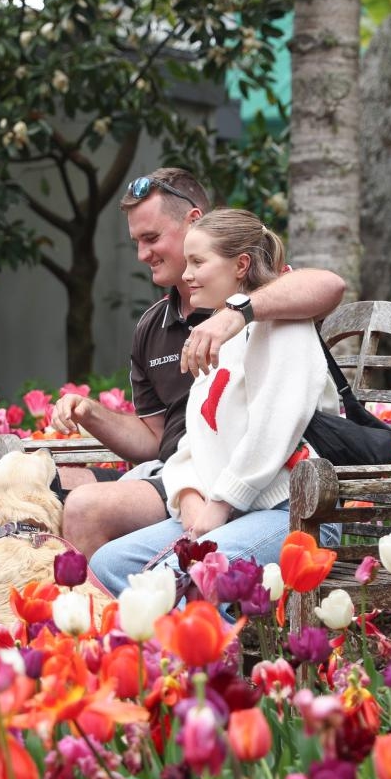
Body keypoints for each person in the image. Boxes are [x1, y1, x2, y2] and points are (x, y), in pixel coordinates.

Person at [49, 168, 345, 557]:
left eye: (151, 238)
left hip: (258, 487)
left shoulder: (272, 303)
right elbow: (161, 438)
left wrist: (237, 313)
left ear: (193, 222)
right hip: (182, 475)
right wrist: (90, 413)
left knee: (89, 508)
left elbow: (329, 286)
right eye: (136, 242)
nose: (142, 255)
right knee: (41, 483)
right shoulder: (153, 324)